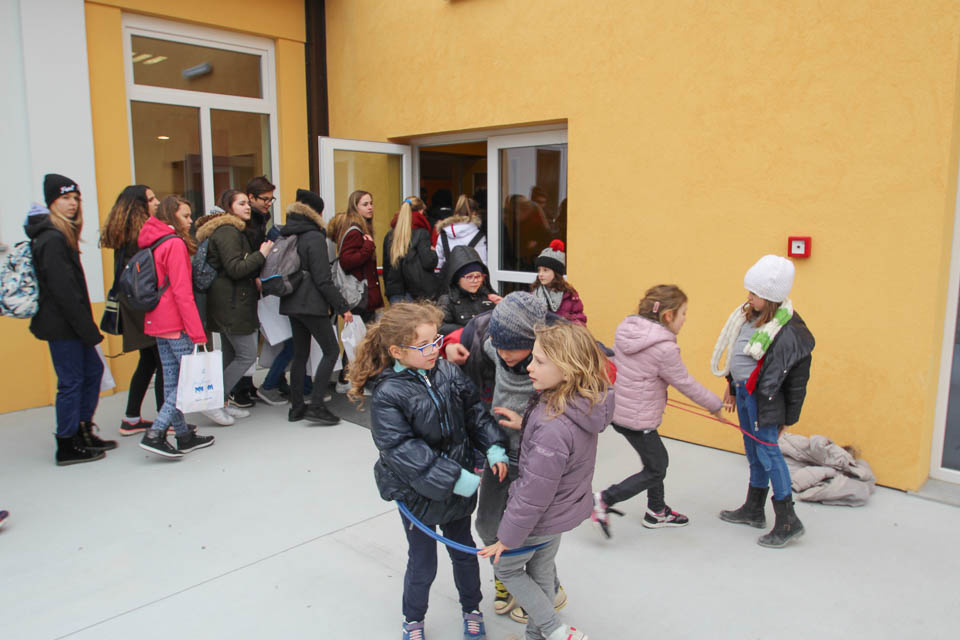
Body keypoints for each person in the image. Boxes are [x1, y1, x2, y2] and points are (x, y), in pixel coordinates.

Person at [348, 302, 508, 640]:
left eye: (436, 340)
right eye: (423, 345)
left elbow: (474, 414)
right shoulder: (388, 394)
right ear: (397, 351)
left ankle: (472, 608)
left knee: (463, 554)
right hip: (417, 494)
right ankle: (413, 619)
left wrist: (493, 445)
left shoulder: (448, 372)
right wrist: (455, 478)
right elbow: (401, 449)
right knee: (422, 562)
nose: (435, 349)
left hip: (456, 491)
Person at [480, 322, 614, 640]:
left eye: (539, 361)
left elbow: (533, 493)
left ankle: (554, 630)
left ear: (567, 369)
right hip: (559, 514)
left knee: (507, 568)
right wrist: (527, 423)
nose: (530, 366)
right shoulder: (577, 403)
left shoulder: (552, 426)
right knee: (540, 570)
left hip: (540, 517)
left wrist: (507, 537)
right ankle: (536, 635)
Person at [447, 293, 569, 625]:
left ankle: (548, 588)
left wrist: (526, 423)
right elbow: (470, 332)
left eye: (513, 348)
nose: (505, 354)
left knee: (534, 533)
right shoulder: (495, 346)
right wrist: (451, 345)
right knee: (487, 525)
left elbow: (575, 410)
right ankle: (508, 577)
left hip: (536, 460)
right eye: (499, 346)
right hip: (499, 454)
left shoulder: (554, 362)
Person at [591, 285, 722, 538]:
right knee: (658, 467)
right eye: (683, 313)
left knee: (654, 460)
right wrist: (714, 404)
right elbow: (685, 382)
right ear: (668, 315)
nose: (685, 319)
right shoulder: (665, 349)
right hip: (639, 419)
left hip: (621, 412)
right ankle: (604, 499)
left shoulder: (628, 330)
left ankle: (657, 511)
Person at [711, 255, 814, 548]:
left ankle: (788, 521)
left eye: (754, 293)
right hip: (744, 393)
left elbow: (796, 383)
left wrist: (787, 419)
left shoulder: (788, 331)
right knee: (753, 451)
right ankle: (754, 509)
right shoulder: (748, 316)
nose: (748, 297)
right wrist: (731, 386)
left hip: (765, 402)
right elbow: (738, 353)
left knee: (769, 453)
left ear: (769, 297)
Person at [26, 174, 115, 465]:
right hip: (62, 326)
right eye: (65, 198)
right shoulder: (52, 238)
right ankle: (66, 443)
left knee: (91, 373)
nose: (72, 203)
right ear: (52, 202)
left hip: (72, 323)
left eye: (75, 198)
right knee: (71, 381)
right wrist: (87, 330)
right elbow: (64, 291)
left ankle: (82, 431)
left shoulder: (61, 234)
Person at [137, 196, 215, 458]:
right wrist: (197, 332)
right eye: (185, 216)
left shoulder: (155, 242)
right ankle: (156, 433)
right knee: (186, 383)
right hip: (176, 323)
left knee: (172, 381)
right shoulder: (174, 244)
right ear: (172, 217)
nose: (190, 221)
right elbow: (182, 293)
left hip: (158, 321)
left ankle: (183, 435)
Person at [193, 190, 273, 426]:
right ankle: (214, 402)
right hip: (232, 304)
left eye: (247, 203)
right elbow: (236, 268)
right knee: (246, 354)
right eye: (241, 203)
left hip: (228, 302)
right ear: (229, 208)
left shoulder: (228, 230)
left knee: (230, 356)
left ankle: (222, 401)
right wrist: (261, 255)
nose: (247, 207)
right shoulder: (228, 231)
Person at [279, 194, 354, 424]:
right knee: (331, 351)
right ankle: (317, 405)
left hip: (291, 302)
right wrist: (342, 307)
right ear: (315, 213)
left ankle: (296, 408)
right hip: (311, 304)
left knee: (300, 354)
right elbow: (323, 280)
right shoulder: (314, 237)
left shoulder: (289, 233)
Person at [100, 185, 165, 436]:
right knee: (163, 361)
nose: (157, 202)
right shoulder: (141, 236)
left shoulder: (125, 234)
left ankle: (131, 418)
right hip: (144, 306)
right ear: (139, 206)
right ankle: (165, 421)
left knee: (148, 361)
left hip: (132, 305)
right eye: (151, 199)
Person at [326, 189, 384, 395]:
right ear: (355, 207)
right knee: (359, 341)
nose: (370, 207)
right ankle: (349, 379)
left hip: (363, 296)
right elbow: (347, 261)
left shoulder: (358, 230)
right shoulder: (355, 232)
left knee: (361, 341)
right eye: (365, 204)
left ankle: (353, 379)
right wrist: (368, 247)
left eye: (371, 203)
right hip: (360, 296)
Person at [229, 176, 276, 407]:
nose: (269, 203)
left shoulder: (259, 220)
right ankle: (236, 389)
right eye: (264, 199)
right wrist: (257, 271)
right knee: (244, 348)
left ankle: (244, 386)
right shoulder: (243, 226)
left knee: (250, 341)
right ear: (251, 198)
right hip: (243, 290)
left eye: (271, 199)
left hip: (251, 287)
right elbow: (243, 260)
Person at [383, 197, 439, 304]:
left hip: (395, 292)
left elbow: (387, 267)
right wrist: (433, 252)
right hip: (417, 293)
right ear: (421, 212)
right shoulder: (422, 233)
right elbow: (428, 262)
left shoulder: (390, 235)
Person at [436, 246, 500, 336]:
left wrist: (503, 305)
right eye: (469, 277)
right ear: (457, 279)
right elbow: (440, 326)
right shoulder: (448, 300)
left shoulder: (488, 295)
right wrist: (469, 330)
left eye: (478, 276)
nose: (475, 280)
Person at [530, 240, 587, 325]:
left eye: (545, 270)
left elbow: (580, 319)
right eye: (539, 270)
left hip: (563, 333)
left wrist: (567, 325)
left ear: (556, 273)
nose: (540, 274)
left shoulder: (570, 295)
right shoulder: (533, 294)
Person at [435, 195, 487, 270]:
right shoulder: (478, 235)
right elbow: (482, 262)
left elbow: (438, 261)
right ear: (474, 213)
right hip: (470, 275)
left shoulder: (444, 233)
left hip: (448, 276)